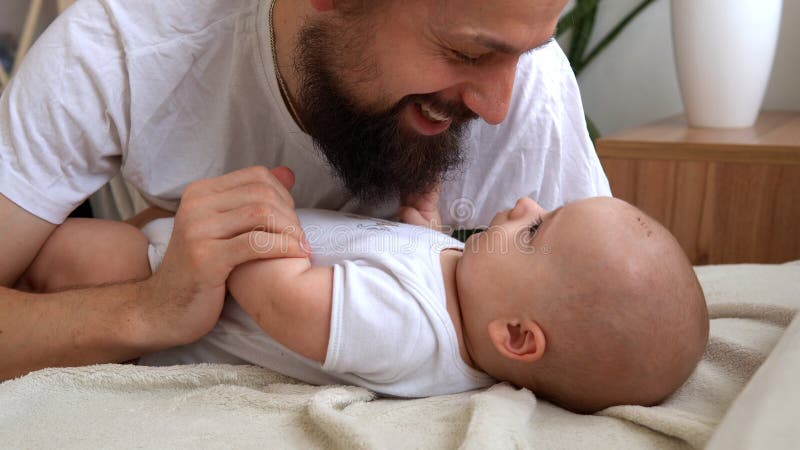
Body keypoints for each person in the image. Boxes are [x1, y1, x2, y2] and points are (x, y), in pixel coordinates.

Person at [0, 0, 609, 380]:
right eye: (466, 51)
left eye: (527, 52)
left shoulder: (531, 89)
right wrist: (148, 309)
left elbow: (594, 342)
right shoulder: (121, 48)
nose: (501, 108)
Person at [19, 193, 709, 413]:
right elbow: (397, 260)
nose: (524, 203)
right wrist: (421, 225)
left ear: (517, 339)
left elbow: (286, 304)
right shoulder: (459, 290)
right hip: (169, 247)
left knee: (57, 257)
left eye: (534, 230)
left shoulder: (411, 332)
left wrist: (264, 217)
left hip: (149, 274)